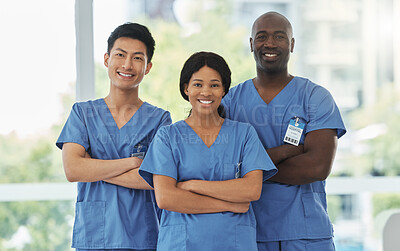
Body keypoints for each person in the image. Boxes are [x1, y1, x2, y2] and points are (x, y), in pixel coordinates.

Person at [221, 12, 346, 251]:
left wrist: (249, 170)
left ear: (292, 44)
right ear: (250, 44)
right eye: (261, 37)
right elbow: (222, 167)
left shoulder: (315, 97)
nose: (269, 43)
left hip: (306, 234)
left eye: (279, 36)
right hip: (249, 233)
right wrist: (286, 152)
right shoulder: (230, 102)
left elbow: (317, 167)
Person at [138, 51, 277, 250]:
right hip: (182, 244)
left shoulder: (244, 134)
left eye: (214, 85)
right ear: (186, 88)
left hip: (234, 243)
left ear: (224, 90)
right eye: (197, 84)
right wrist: (230, 204)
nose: (206, 92)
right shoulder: (167, 137)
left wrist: (193, 185)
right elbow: (166, 198)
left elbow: (251, 190)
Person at [56, 23, 171, 251]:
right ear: (107, 59)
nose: (127, 65)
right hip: (94, 236)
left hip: (142, 237)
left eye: (137, 58)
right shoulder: (83, 113)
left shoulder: (159, 120)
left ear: (147, 67)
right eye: (120, 55)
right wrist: (132, 163)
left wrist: (93, 168)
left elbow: (156, 180)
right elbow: (73, 170)